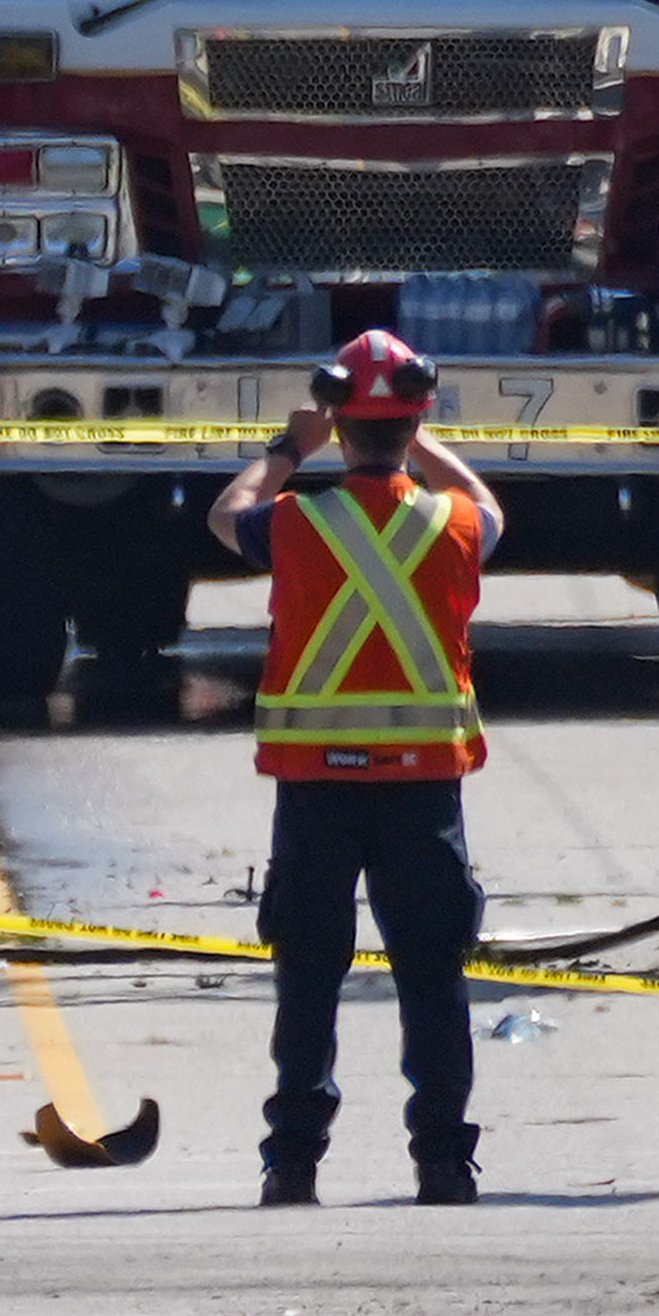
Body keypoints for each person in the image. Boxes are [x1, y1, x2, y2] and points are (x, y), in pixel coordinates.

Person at [207, 329, 500, 1208]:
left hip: (317, 790)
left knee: (307, 976)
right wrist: (422, 436)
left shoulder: (295, 521)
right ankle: (443, 1161)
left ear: (338, 420)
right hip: (421, 792)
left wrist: (292, 447)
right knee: (432, 977)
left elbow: (226, 515)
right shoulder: (451, 524)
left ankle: (291, 1161)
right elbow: (490, 509)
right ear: (416, 416)